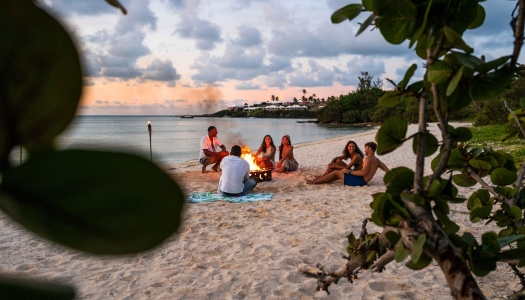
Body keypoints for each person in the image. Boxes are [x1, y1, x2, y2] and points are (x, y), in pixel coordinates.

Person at [306, 142, 389, 186]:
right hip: (362, 181)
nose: (364, 150)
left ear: (370, 148)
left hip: (360, 181)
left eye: (366, 148)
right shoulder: (377, 160)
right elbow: (387, 170)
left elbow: (363, 172)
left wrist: (349, 172)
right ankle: (321, 179)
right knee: (337, 174)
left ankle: (315, 182)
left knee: (336, 173)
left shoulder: (368, 159)